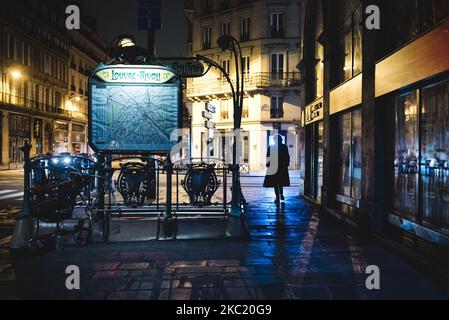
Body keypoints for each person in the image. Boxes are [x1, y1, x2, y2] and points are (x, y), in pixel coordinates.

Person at [263, 134, 290, 204]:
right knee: (281, 182)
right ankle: (281, 195)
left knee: (275, 183)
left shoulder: (271, 147)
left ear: (274, 140)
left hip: (274, 167)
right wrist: (287, 164)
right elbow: (287, 156)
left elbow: (268, 157)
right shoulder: (284, 147)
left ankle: (277, 197)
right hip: (282, 167)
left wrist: (267, 164)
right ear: (280, 140)